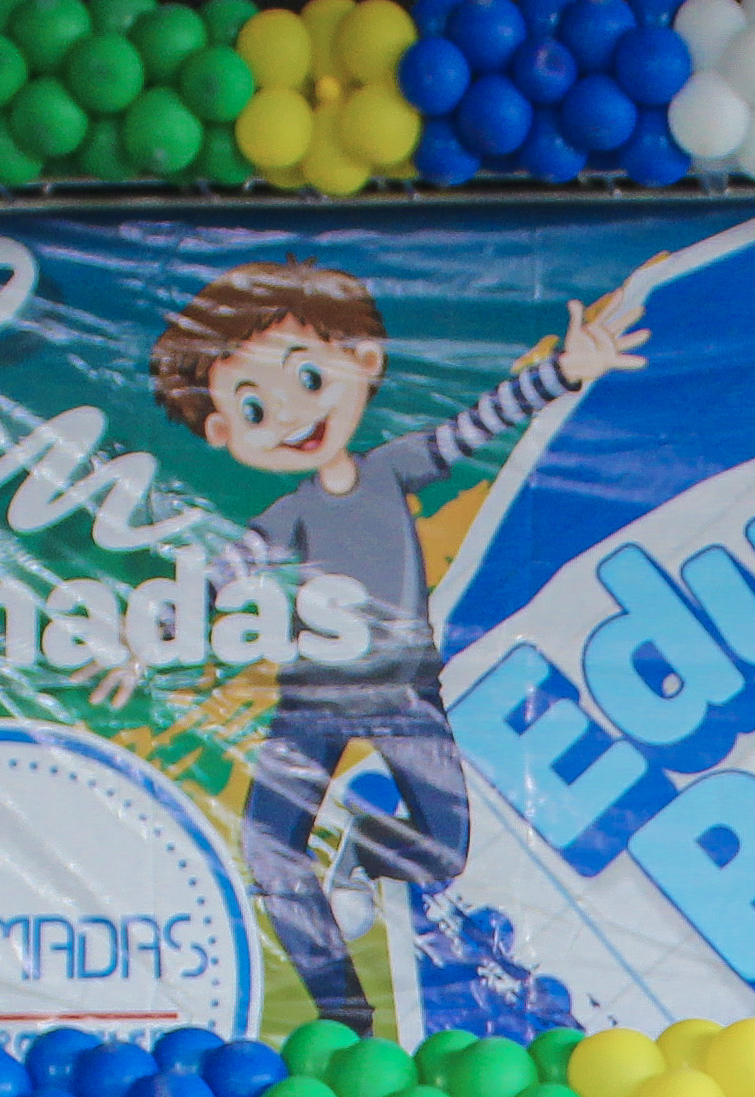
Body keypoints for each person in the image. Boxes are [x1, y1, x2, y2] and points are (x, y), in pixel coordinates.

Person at [139, 264, 648, 1033]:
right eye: (254, 407)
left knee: (443, 849)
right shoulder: (285, 515)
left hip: (403, 690)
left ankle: (357, 853)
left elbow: (477, 424)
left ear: (364, 362)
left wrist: (559, 374)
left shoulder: (389, 469)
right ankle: (344, 1018)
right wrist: (141, 638)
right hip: (312, 699)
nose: (291, 416)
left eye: (309, 378)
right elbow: (218, 576)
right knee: (269, 849)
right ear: (222, 432)